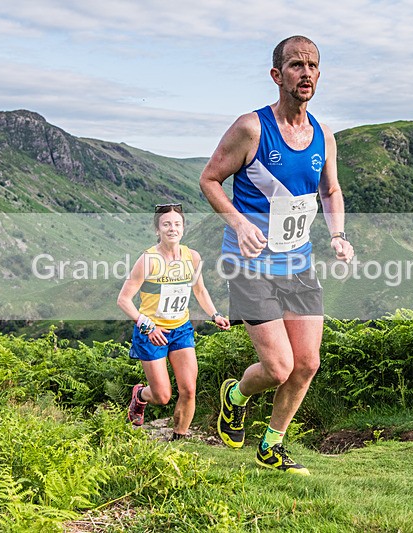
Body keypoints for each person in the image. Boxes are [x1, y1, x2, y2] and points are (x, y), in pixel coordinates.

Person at [199, 36, 354, 474]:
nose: (305, 73)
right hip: (250, 265)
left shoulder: (323, 134)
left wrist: (338, 234)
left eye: (312, 66)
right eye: (295, 65)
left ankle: (271, 446)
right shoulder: (252, 128)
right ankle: (235, 396)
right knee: (280, 366)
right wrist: (239, 223)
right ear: (276, 75)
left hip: (298, 263)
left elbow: (330, 189)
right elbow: (209, 180)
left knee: (306, 364)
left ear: (319, 75)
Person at [117, 203, 230, 440]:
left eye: (177, 224)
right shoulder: (148, 260)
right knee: (162, 396)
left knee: (189, 389)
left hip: (180, 329)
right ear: (157, 229)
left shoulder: (193, 257)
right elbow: (124, 300)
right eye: (166, 224)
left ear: (183, 228)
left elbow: (199, 290)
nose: (172, 228)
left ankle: (179, 439)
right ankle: (139, 396)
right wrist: (147, 326)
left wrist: (215, 314)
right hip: (151, 332)